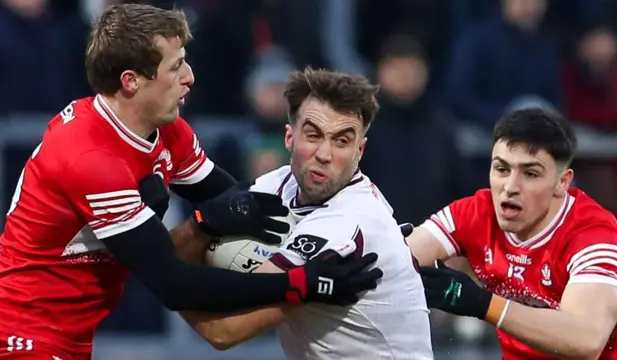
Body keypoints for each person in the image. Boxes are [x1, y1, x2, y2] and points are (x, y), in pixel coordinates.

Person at [0, 4, 381, 359]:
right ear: (131, 81)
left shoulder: (166, 130)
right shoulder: (91, 159)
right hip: (22, 334)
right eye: (176, 67)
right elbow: (173, 285)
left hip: (66, 334)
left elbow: (240, 201)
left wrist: (362, 236)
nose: (189, 78)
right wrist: (303, 283)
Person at [175, 67, 433, 359]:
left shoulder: (351, 221)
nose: (324, 154)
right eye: (313, 135)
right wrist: (200, 225)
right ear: (289, 137)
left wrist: (177, 266)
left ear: (360, 151)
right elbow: (176, 249)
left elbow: (223, 330)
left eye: (342, 141)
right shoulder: (276, 185)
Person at [406, 107, 617, 359]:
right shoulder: (475, 213)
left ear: (562, 182)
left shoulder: (594, 236)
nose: (510, 187)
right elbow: (393, 261)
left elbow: (585, 341)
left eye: (530, 174)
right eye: (502, 169)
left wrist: (482, 303)